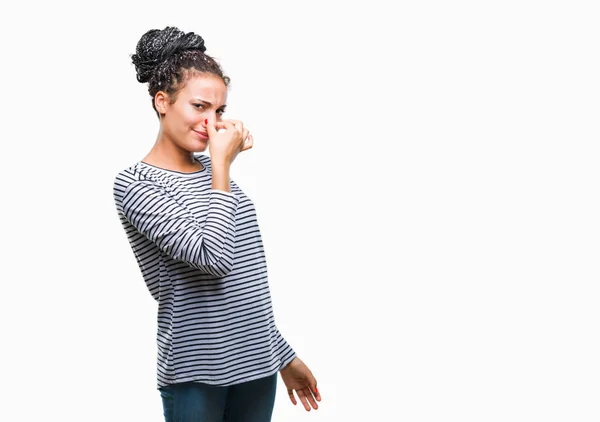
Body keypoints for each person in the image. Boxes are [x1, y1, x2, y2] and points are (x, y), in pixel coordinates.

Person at [113, 26, 321, 421]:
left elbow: (243, 283)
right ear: (162, 101)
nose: (211, 124)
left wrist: (282, 355)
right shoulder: (136, 184)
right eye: (199, 107)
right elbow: (213, 257)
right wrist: (223, 166)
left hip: (258, 368)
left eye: (219, 111)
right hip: (196, 374)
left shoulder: (213, 171)